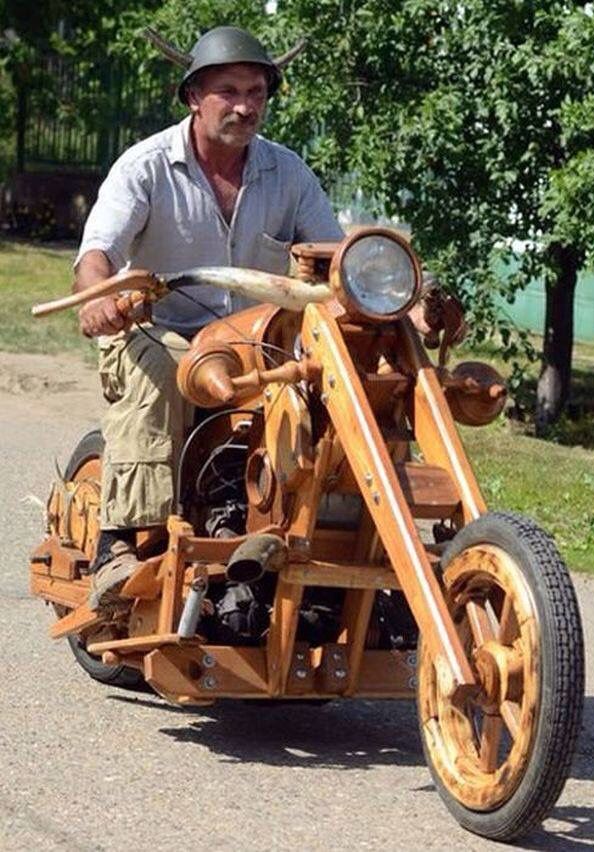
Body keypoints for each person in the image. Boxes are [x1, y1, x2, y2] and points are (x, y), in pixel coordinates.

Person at [73, 26, 343, 610]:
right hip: (153, 329)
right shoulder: (145, 167)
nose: (246, 106)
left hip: (256, 346)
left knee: (334, 394)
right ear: (194, 96)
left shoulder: (288, 173)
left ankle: (314, 540)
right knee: (166, 371)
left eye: (256, 92)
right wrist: (98, 297)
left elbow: (333, 258)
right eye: (229, 91)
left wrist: (401, 298)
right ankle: (119, 545)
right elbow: (96, 254)